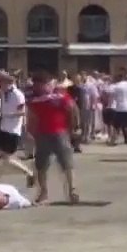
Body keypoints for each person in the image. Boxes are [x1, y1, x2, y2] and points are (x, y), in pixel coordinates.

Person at [26, 70, 80, 205]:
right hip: (42, 134)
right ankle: (43, 193)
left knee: (67, 163)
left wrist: (75, 127)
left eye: (42, 84)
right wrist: (32, 133)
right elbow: (32, 117)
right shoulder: (34, 100)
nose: (39, 87)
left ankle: (72, 191)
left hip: (60, 133)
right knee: (41, 166)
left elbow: (72, 109)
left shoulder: (60, 97)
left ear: (50, 84)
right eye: (37, 84)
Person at [0, 70, 35, 186]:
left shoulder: (18, 95)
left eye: (1, 82)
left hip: (12, 132)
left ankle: (29, 173)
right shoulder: (4, 93)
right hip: (3, 129)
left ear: (8, 83)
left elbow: (22, 112)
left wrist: (7, 115)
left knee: (6, 159)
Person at [106, 70, 127, 146]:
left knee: (116, 126)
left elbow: (112, 95)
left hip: (120, 108)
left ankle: (113, 140)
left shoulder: (117, 86)